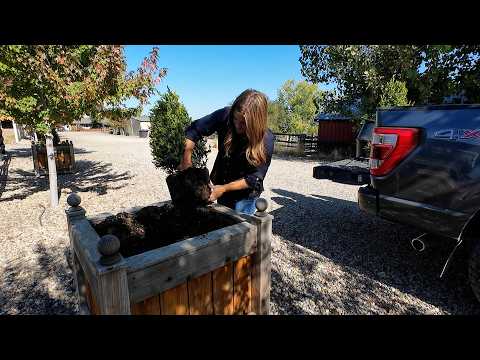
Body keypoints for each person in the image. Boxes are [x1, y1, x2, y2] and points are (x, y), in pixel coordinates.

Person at [179, 89, 274, 215]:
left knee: (241, 230)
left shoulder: (266, 139)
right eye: (235, 119)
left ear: (256, 123)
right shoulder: (225, 115)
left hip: (245, 196)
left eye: (244, 124)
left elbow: (253, 178)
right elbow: (194, 130)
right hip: (222, 184)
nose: (237, 126)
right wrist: (186, 160)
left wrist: (223, 189)